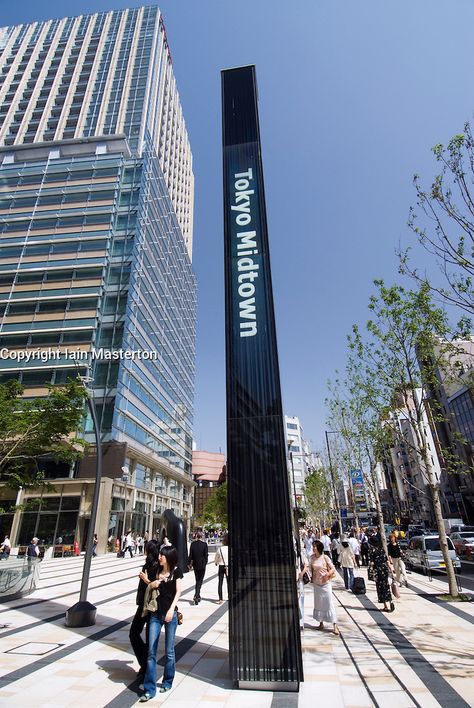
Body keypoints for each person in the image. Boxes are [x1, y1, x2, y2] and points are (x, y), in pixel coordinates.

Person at [139, 545, 183, 701]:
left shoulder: (176, 571)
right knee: (151, 651)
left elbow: (178, 591)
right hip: (156, 615)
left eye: (162, 555)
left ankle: (167, 680)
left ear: (169, 557)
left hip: (170, 614)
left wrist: (172, 610)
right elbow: (156, 586)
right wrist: (148, 581)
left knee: (169, 651)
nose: (160, 557)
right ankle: (150, 689)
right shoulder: (157, 569)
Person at [129, 540, 161, 681]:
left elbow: (159, 587)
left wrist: (146, 579)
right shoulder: (147, 565)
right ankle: (144, 663)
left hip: (152, 607)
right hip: (142, 605)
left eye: (147, 549)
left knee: (149, 638)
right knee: (133, 633)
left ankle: (146, 670)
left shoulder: (158, 567)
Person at [309, 540, 339, 635]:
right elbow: (310, 569)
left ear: (319, 548)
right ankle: (321, 623)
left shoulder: (325, 557)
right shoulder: (312, 558)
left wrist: (327, 574)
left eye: (315, 546)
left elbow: (333, 568)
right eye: (313, 546)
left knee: (329, 603)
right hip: (316, 584)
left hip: (325, 584)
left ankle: (335, 625)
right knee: (319, 604)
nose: (313, 548)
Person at [370, 538, 394, 612]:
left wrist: (371, 570)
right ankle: (390, 601)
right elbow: (387, 561)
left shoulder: (373, 551)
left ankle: (385, 605)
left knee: (380, 588)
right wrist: (391, 569)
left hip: (378, 570)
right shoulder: (382, 550)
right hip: (384, 569)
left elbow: (372, 562)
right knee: (386, 586)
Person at [187, 530, 208, 604]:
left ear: (196, 536)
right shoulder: (204, 544)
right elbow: (206, 556)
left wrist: (189, 564)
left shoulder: (193, 544)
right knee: (200, 580)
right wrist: (205, 563)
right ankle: (196, 595)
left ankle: (198, 595)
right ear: (201, 536)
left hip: (195, 564)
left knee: (197, 579)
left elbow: (190, 555)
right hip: (202, 564)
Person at [214, 534, 229, 604]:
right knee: (229, 582)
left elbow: (216, 557)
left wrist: (216, 562)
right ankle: (230, 595)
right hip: (228, 566)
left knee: (220, 582)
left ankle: (220, 598)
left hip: (221, 566)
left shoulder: (220, 549)